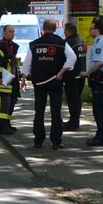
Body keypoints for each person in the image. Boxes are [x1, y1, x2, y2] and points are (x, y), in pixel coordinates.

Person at [20, 18, 75, 149]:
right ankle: (56, 141)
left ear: (43, 29)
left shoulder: (34, 44)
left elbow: (27, 63)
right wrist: (61, 72)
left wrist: (23, 79)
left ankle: (38, 140)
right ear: (55, 29)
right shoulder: (61, 43)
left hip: (39, 82)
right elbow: (73, 57)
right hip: (55, 81)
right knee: (56, 112)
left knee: (39, 111)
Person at [83, 19, 103, 147]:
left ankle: (101, 137)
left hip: (99, 78)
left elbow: (99, 62)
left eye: (92, 28)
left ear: (97, 30)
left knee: (99, 108)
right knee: (101, 107)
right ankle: (100, 134)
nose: (90, 30)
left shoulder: (100, 44)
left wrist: (87, 73)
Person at [0, 25, 20, 135]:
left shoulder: (12, 46)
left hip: (11, 81)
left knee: (10, 104)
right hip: (2, 81)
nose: (12, 33)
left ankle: (7, 124)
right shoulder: (0, 46)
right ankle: (1, 128)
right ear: (4, 32)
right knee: (3, 105)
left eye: (13, 31)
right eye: (10, 31)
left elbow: (14, 64)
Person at [62, 22, 87, 130]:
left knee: (72, 100)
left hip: (71, 75)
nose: (64, 33)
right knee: (77, 99)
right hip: (81, 74)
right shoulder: (81, 41)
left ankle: (74, 122)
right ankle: (75, 120)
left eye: (65, 31)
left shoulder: (68, 43)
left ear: (68, 31)